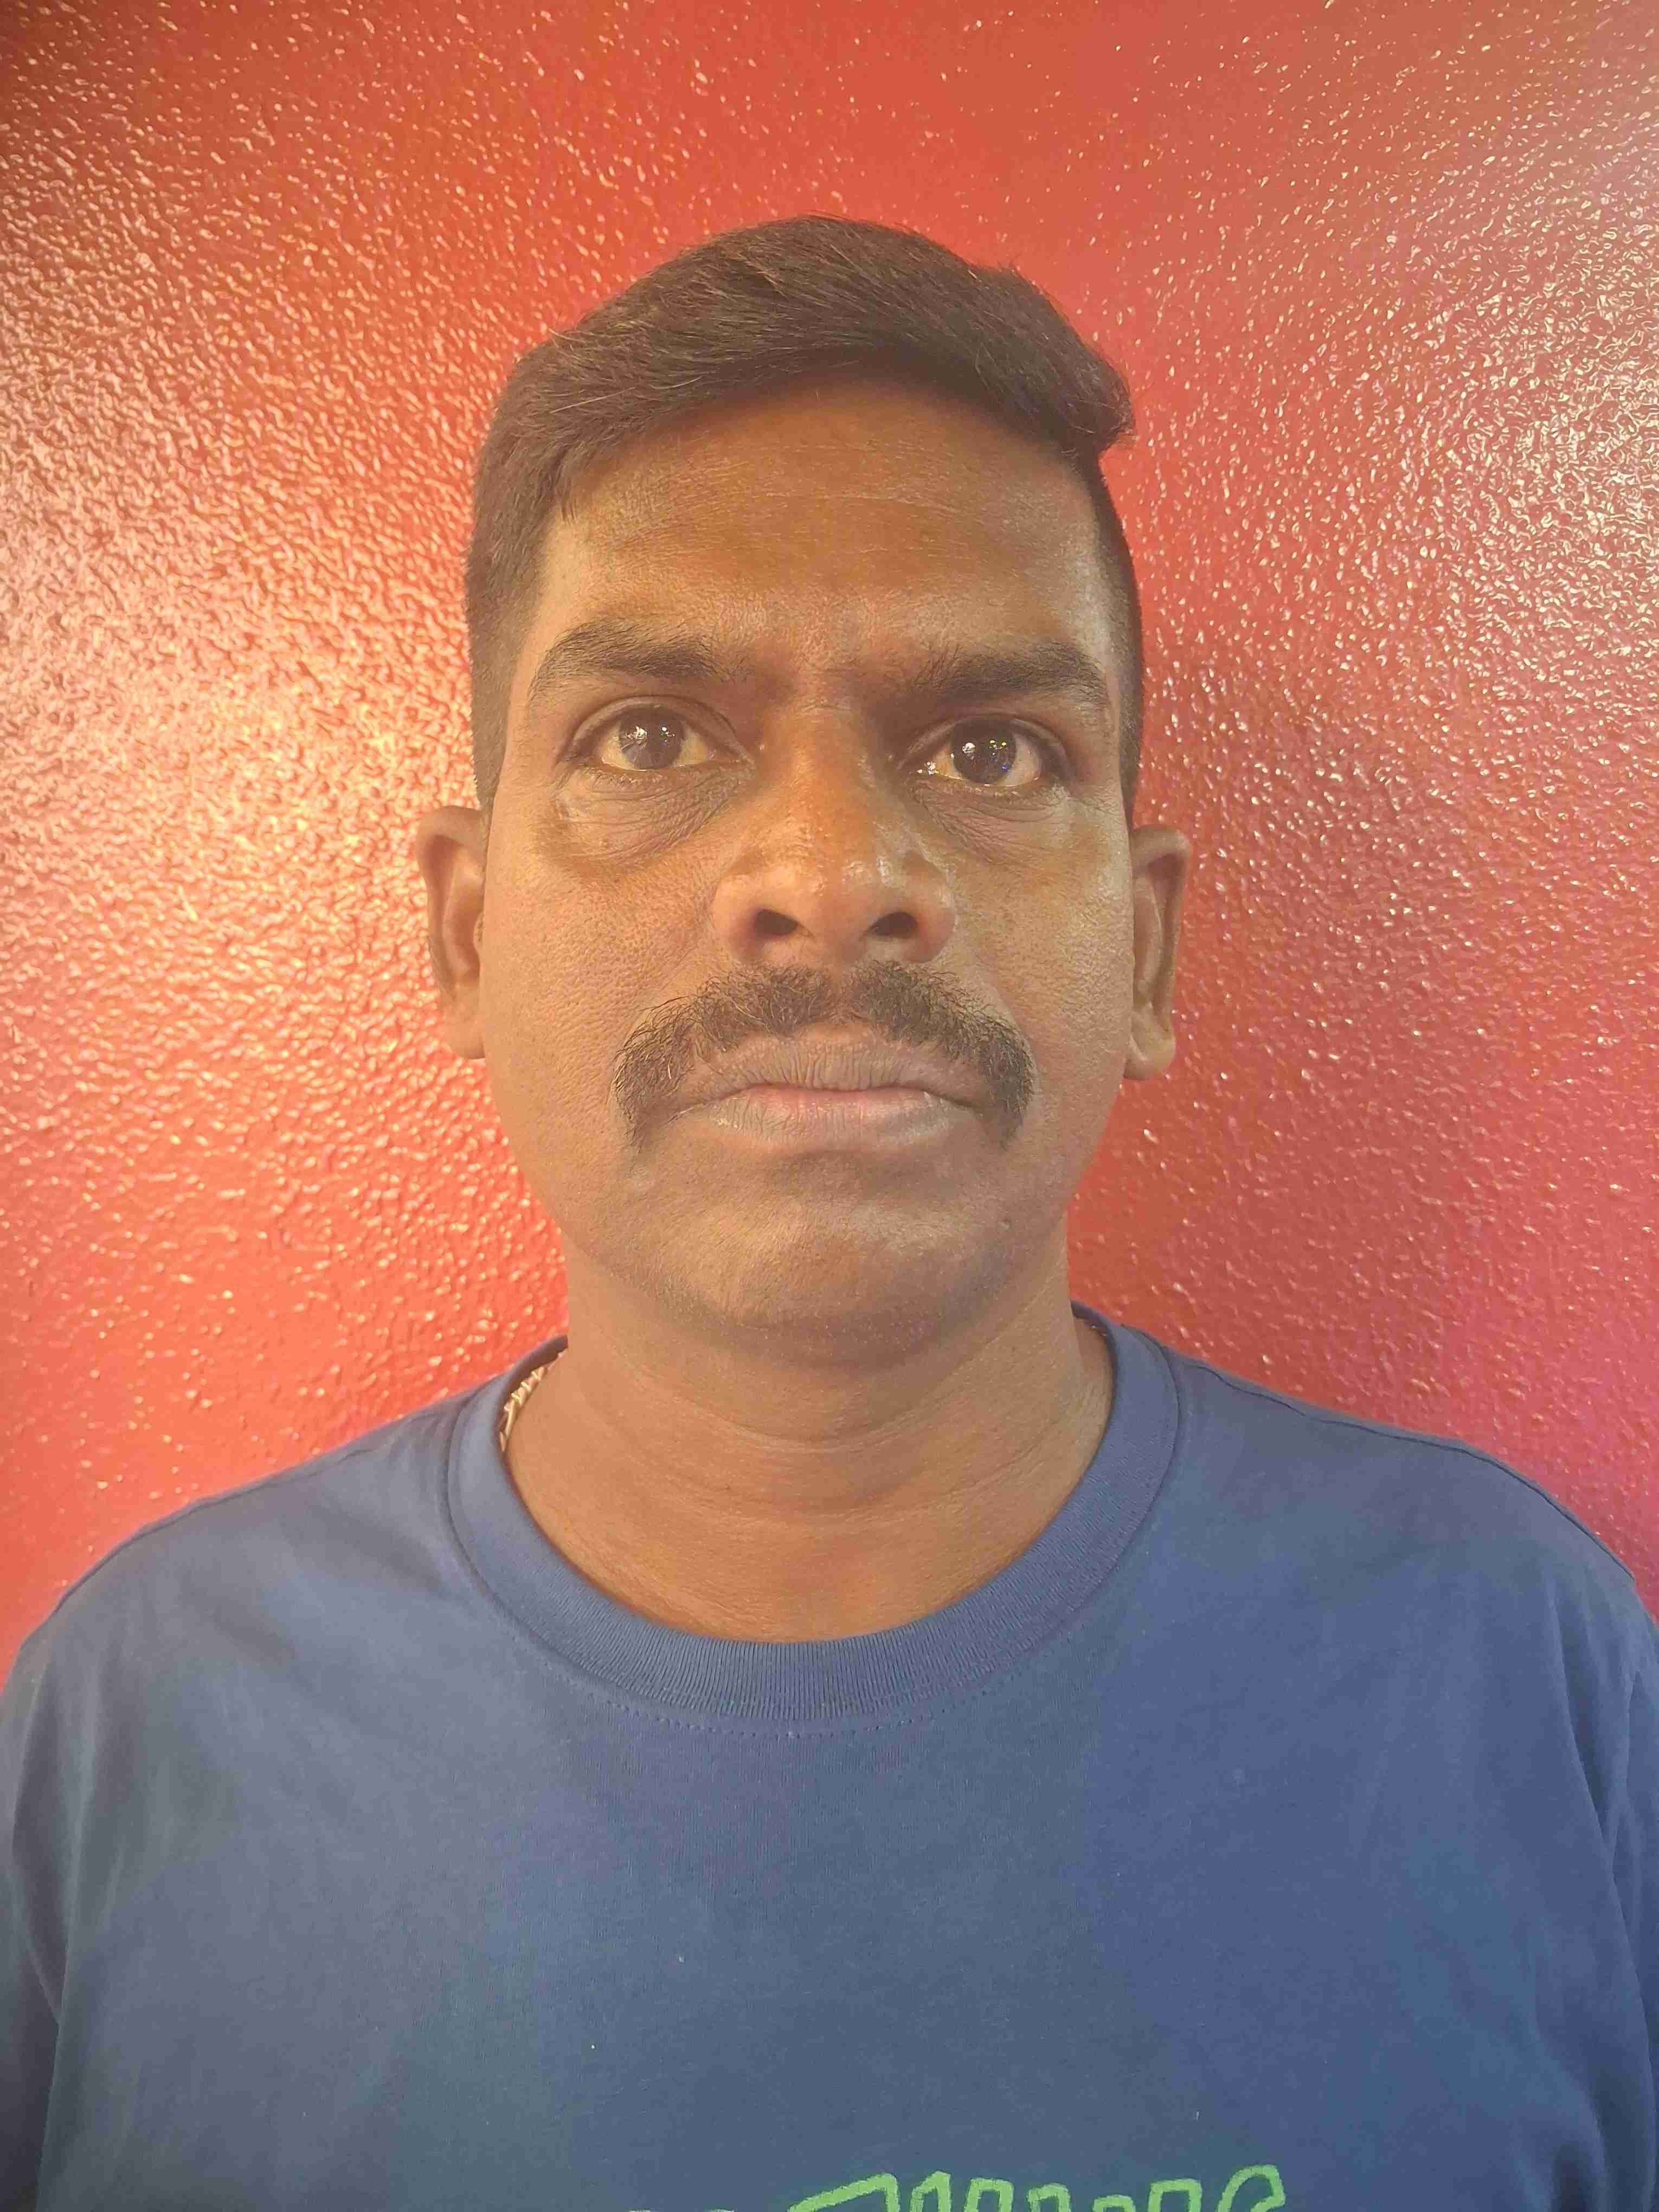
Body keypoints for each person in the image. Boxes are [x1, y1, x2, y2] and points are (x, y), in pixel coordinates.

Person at [1, 216, 1652, 2212]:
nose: (831, 870)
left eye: (988, 749)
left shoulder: (1517, 1667)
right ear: (464, 930)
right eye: (649, 734)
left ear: (1140, 950)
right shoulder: (133, 1722)